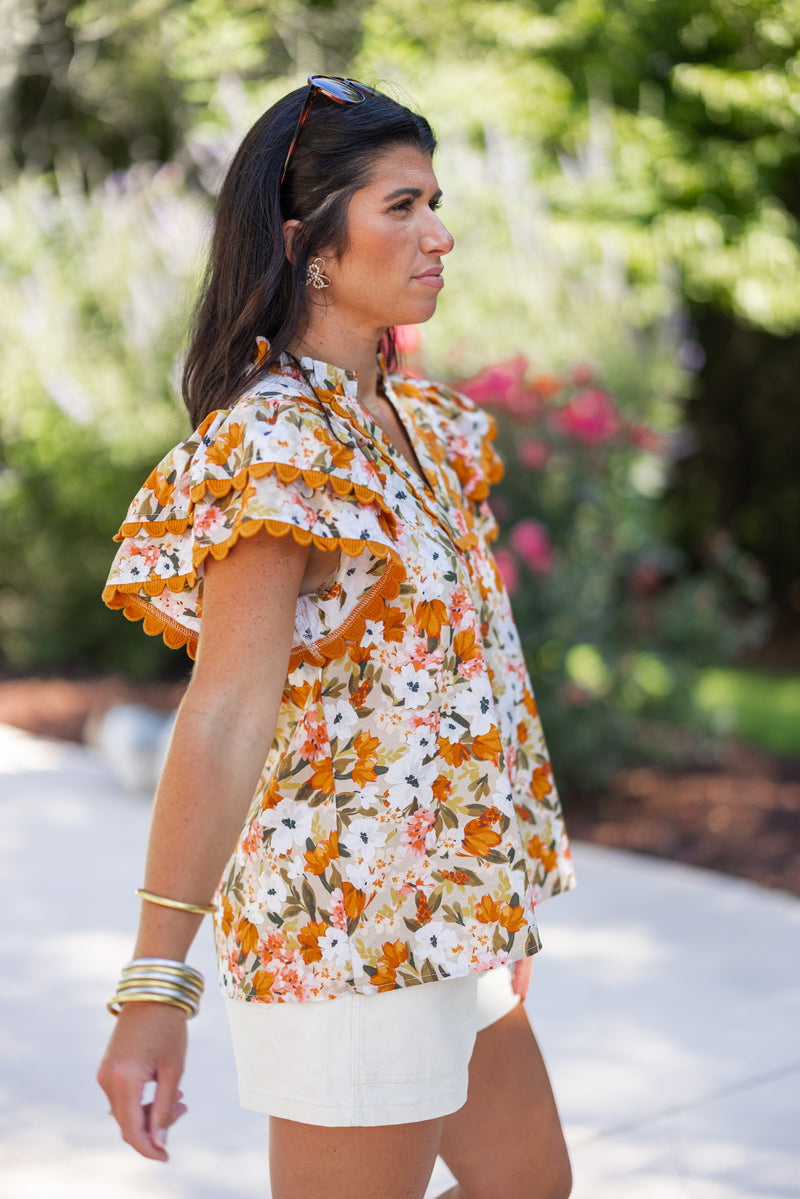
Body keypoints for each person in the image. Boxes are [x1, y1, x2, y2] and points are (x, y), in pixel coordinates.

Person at [97, 75, 576, 1199]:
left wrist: (493, 897)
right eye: (400, 205)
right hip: (347, 935)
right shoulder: (274, 442)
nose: (438, 233)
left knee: (528, 1184)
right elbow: (223, 713)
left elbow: (461, 687)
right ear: (304, 240)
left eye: (434, 200)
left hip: (451, 920)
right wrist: (155, 985)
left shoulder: (416, 425)